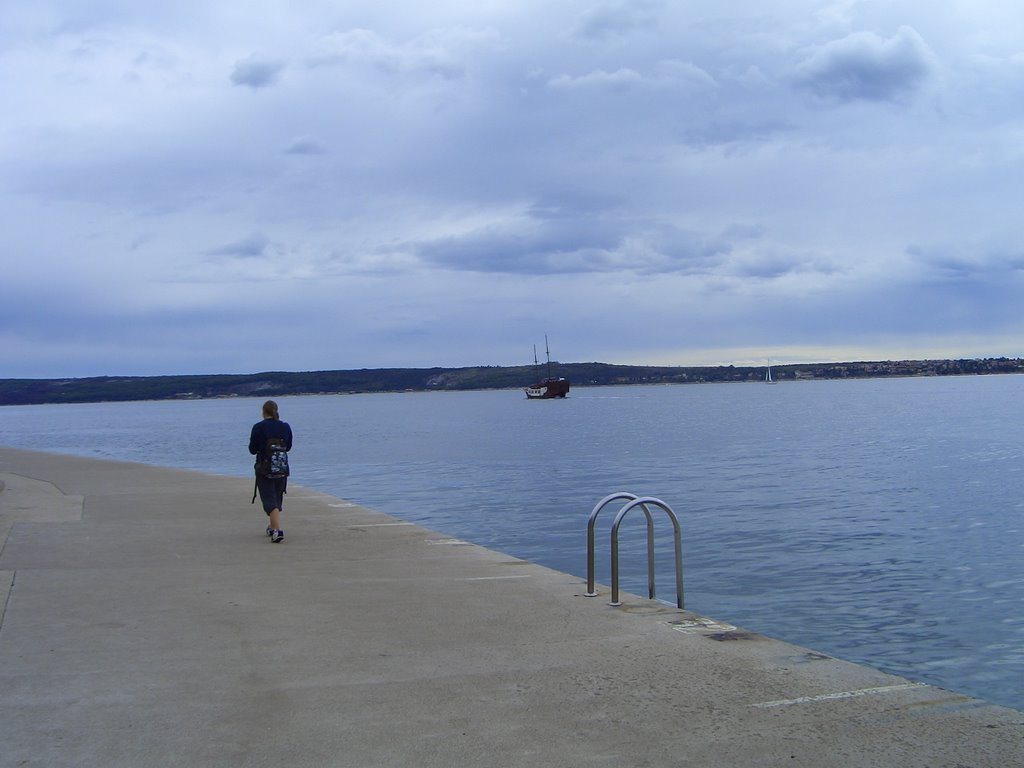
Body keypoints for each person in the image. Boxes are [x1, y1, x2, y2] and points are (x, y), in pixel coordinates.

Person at [249, 400, 293, 543]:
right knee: (277, 497)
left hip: (264, 468)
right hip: (281, 467)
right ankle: (272, 526)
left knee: (269, 499)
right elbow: (289, 447)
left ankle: (277, 530)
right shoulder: (285, 427)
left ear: (263, 412)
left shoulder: (259, 427)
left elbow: (252, 449)